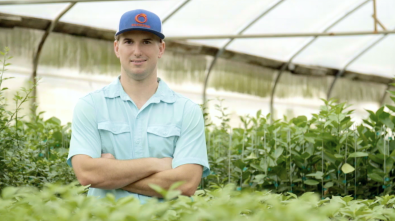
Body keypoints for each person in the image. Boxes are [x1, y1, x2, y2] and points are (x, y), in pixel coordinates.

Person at [66, 9, 210, 203]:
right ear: (117, 48)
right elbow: (87, 174)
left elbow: (186, 183)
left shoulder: (187, 111)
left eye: (147, 42)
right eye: (128, 42)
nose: (137, 51)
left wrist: (110, 175)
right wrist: (157, 164)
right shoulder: (91, 106)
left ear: (161, 49)